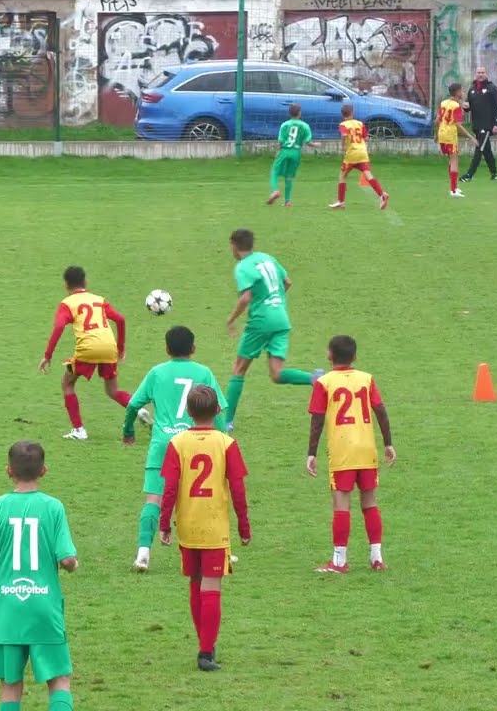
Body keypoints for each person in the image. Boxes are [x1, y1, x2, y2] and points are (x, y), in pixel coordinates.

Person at [0, 440, 78, 711]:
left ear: (8, 471)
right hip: (44, 608)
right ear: (44, 470)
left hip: (6, 611)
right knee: (58, 679)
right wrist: (72, 565)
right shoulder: (53, 508)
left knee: (10, 684)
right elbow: (67, 559)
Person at [158, 385, 250, 671]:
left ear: (188, 411)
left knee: (195, 583)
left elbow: (170, 488)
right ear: (218, 411)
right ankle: (206, 652)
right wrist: (244, 526)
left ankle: (204, 642)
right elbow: (237, 488)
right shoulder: (226, 443)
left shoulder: (177, 443)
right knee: (212, 586)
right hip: (214, 526)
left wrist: (164, 523)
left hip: (187, 524)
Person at [122, 326, 222, 573]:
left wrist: (128, 430)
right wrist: (222, 440)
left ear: (167, 349)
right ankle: (211, 550)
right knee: (199, 497)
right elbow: (218, 409)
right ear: (194, 348)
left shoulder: (157, 373)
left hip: (163, 445)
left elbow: (134, 404)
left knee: (153, 499)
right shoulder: (204, 373)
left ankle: (143, 553)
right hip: (194, 443)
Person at [306, 335, 395, 573]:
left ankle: (339, 560)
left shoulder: (324, 382)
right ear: (354, 357)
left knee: (341, 505)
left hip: (342, 450)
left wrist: (311, 453)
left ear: (329, 355)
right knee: (370, 503)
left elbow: (317, 419)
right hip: (367, 449)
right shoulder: (366, 379)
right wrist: (388, 443)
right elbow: (381, 411)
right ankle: (376, 557)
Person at [223, 229, 322, 431]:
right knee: (277, 375)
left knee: (238, 369)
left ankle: (227, 422)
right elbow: (287, 282)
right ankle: (315, 379)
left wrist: (231, 320)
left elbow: (246, 297)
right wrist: (274, 302)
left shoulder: (242, 267)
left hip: (260, 322)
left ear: (234, 245)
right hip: (281, 319)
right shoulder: (267, 258)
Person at [39, 266, 137, 440]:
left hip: (88, 348)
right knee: (113, 390)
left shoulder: (67, 304)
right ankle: (140, 409)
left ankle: (79, 430)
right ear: (85, 282)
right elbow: (120, 319)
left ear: (66, 285)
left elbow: (59, 326)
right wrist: (120, 348)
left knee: (67, 383)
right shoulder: (99, 300)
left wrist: (48, 355)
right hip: (109, 347)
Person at [328, 104, 388, 210]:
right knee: (368, 175)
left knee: (342, 176)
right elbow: (366, 138)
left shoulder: (343, 125)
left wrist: (343, 146)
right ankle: (382, 195)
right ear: (353, 113)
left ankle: (341, 202)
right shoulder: (360, 123)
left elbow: (344, 135)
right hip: (362, 152)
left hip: (351, 154)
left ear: (342, 115)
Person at [460, 66, 497, 182]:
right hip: (476, 125)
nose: (480, 74)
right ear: (476, 74)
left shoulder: (492, 88)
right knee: (486, 150)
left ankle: (469, 175)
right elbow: (469, 106)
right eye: (478, 72)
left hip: (487, 126)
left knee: (479, 149)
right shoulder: (472, 89)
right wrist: (465, 107)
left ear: (486, 74)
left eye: (482, 72)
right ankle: (494, 174)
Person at [267, 103, 315, 207]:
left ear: (289, 113)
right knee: (289, 176)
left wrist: (278, 151)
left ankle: (275, 190)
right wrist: (316, 145)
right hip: (296, 152)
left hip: (285, 150)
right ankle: (287, 201)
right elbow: (308, 142)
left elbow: (281, 141)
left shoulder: (284, 125)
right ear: (299, 113)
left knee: (274, 171)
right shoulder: (305, 125)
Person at [437, 82, 477, 198]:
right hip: (450, 135)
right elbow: (458, 125)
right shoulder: (456, 107)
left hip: (442, 133)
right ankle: (453, 190)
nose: (463, 92)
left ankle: (453, 187)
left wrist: (436, 135)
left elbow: (437, 120)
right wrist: (471, 137)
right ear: (458, 92)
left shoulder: (444, 103)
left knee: (451, 159)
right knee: (454, 160)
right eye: (462, 90)